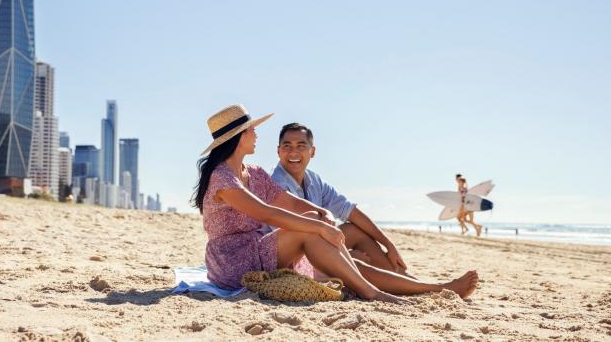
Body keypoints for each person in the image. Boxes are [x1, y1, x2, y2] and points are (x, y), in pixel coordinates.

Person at [193, 104, 479, 303]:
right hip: (231, 262)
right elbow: (268, 212)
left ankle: (432, 288)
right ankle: (374, 293)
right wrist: (318, 226)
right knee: (316, 236)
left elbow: (287, 201)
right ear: (238, 137)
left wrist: (319, 213)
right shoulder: (222, 178)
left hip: (260, 250)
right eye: (252, 129)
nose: (256, 134)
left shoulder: (253, 172)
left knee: (346, 262)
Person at [270, 123, 414, 278]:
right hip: (285, 256)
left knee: (354, 230)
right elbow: (301, 239)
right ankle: (409, 284)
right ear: (278, 151)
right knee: (355, 267)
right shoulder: (274, 183)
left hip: (316, 246)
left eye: (301, 146)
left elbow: (350, 211)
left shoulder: (314, 180)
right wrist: (346, 256)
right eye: (287, 146)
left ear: (312, 151)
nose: (293, 152)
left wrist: (389, 244)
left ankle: (403, 276)